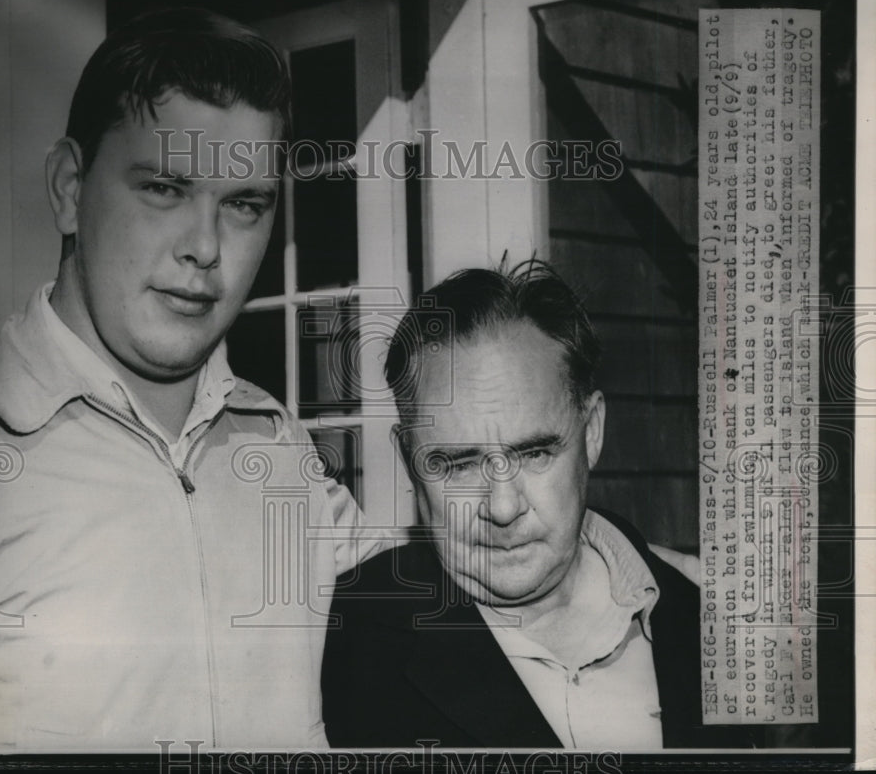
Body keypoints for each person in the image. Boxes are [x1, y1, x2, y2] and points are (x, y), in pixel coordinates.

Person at [0, 7, 378, 753]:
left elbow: (471, 605)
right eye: (163, 188)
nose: (203, 247)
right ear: (69, 187)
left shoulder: (280, 446)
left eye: (244, 204)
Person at [321, 260, 752, 749]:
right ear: (408, 461)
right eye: (458, 464)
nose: (503, 508)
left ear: (592, 432)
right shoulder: (342, 648)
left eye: (535, 453)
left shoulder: (710, 622)